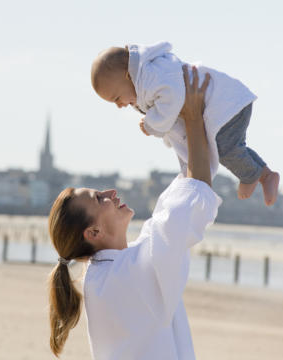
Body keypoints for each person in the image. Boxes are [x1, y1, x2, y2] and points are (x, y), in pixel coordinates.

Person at [47, 66, 221, 359]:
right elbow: (193, 193)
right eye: (100, 198)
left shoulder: (103, 276)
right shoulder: (128, 273)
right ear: (93, 233)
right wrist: (191, 117)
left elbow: (183, 197)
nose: (111, 193)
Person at [90, 42, 280, 206]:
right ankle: (266, 175)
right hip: (227, 103)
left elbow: (172, 100)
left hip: (224, 104)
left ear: (129, 76)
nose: (119, 106)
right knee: (234, 147)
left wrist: (151, 125)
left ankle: (249, 175)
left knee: (225, 148)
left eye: (117, 98)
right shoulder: (147, 79)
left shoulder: (154, 77)